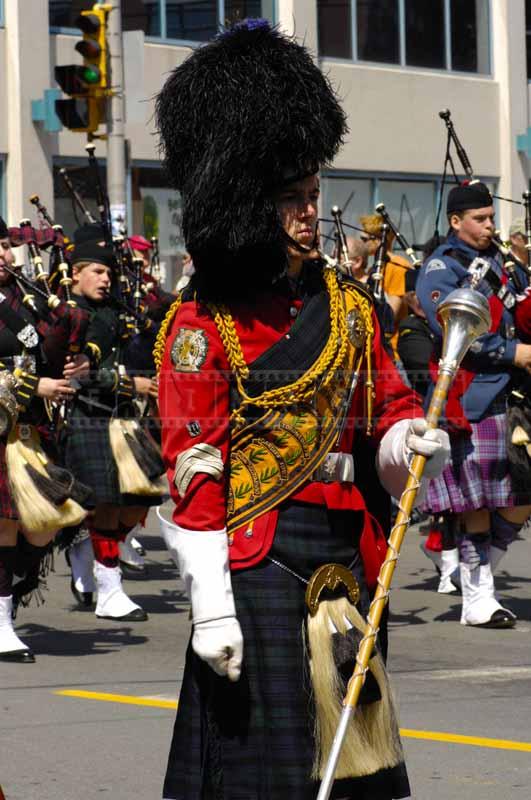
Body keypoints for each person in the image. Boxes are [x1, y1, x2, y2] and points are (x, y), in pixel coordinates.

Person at [155, 21, 449, 800]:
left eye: (312, 196)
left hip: (346, 556)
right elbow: (194, 463)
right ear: (247, 203)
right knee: (266, 774)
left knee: (356, 770)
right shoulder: (201, 322)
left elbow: (385, 403)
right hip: (258, 561)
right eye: (292, 199)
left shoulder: (350, 306)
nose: (309, 213)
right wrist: (210, 603)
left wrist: (406, 438)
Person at [416, 182, 531, 628]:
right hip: (472, 396)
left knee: (521, 495)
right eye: (480, 219)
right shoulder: (440, 269)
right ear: (455, 221)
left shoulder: (503, 262)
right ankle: (478, 597)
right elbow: (457, 332)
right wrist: (514, 353)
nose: (489, 225)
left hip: (513, 395)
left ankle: (480, 578)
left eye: (490, 217)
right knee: (477, 505)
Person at [0, 217, 89, 661]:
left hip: (30, 432)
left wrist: (77, 363)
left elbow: (45, 352)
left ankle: (4, 606)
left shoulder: (23, 300)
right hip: (3, 430)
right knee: (6, 526)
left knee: (48, 526)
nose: (2, 254)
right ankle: (1, 626)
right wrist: (34, 387)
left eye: (3, 245)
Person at [62, 241, 163, 621]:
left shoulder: (114, 309)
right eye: (98, 272)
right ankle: (110, 591)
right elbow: (78, 376)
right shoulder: (69, 316)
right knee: (106, 505)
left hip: (123, 418)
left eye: (109, 273)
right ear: (76, 274)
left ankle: (87, 546)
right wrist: (130, 385)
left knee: (139, 498)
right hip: (86, 416)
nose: (106, 279)